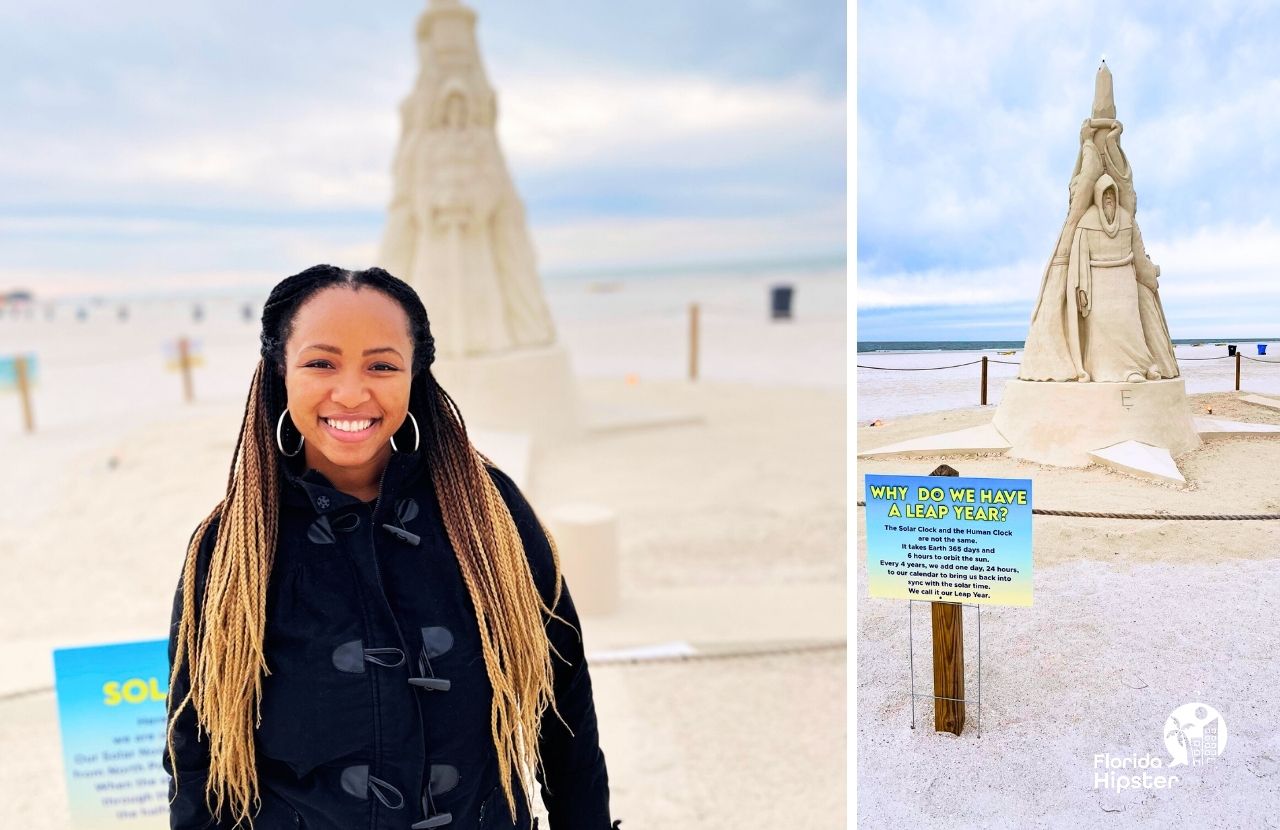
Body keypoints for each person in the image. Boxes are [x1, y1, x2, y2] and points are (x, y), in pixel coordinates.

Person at [163, 265, 617, 829]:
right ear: (281, 371)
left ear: (414, 374)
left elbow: (565, 705)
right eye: (321, 363)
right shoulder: (232, 550)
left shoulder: (489, 515)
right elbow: (195, 754)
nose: (351, 393)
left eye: (381, 365)